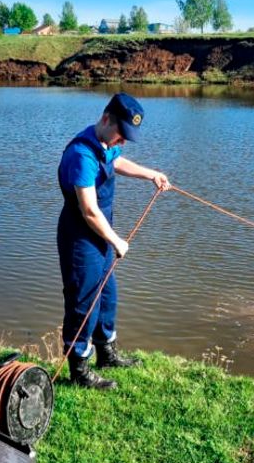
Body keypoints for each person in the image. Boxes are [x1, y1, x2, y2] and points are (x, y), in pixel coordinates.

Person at [56, 92, 170, 390]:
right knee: (84, 301)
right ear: (106, 118)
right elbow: (89, 210)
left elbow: (117, 162)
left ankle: (106, 353)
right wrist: (117, 241)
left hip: (101, 235)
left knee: (107, 295)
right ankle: (79, 370)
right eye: (121, 135)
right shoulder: (81, 155)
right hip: (82, 237)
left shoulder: (106, 142)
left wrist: (151, 175)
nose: (122, 142)